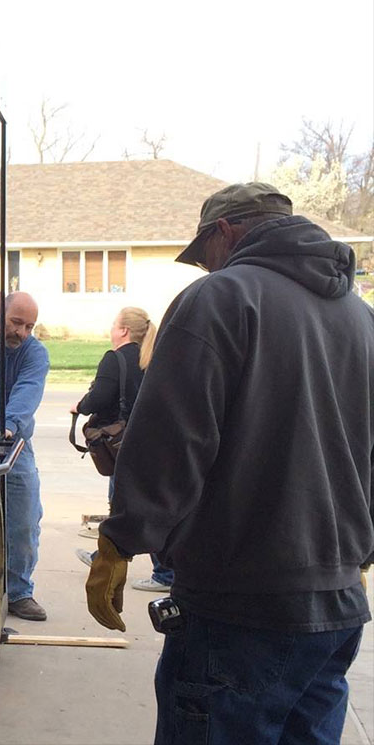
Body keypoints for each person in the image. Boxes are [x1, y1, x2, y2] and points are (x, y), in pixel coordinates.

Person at [85, 182, 374, 745]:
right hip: (337, 603)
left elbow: (171, 440)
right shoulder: (361, 317)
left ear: (226, 231)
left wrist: (123, 538)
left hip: (240, 605)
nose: (203, 268)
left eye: (203, 254)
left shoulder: (221, 297)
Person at [71, 306, 174, 592]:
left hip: (124, 445)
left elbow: (101, 397)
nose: (111, 331)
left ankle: (159, 572)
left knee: (123, 506)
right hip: (155, 441)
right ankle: (111, 558)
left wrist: (80, 406)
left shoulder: (115, 359)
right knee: (145, 504)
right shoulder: (154, 358)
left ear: (124, 331)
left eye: (114, 326)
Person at [0, 291, 51, 621]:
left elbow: (27, 392)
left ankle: (18, 592)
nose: (23, 332)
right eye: (16, 323)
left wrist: (8, 427)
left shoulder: (35, 354)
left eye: (30, 326)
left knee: (24, 521)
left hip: (15, 445)